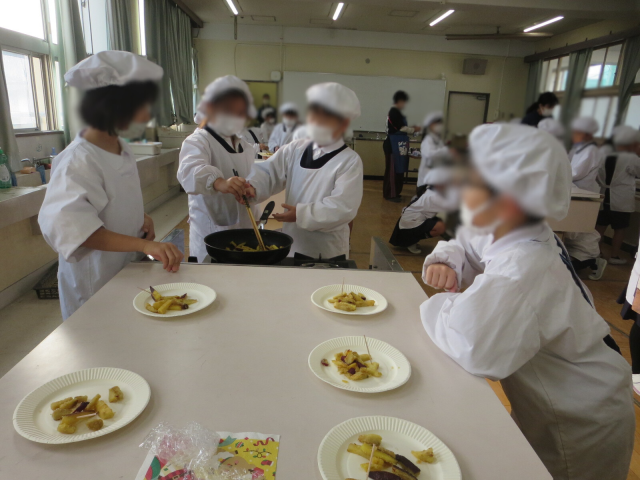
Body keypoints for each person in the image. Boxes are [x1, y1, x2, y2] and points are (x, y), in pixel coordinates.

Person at [420, 124, 633, 480]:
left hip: (580, 416)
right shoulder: (519, 228)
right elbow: (468, 241)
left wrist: (439, 304)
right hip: (557, 392)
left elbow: (472, 344)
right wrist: (447, 260)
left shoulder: (523, 266)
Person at [38, 51, 183, 319]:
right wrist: (143, 246)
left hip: (125, 270)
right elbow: (75, 230)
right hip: (95, 282)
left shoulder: (120, 148)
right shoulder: (77, 160)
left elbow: (111, 200)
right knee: (100, 338)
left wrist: (140, 216)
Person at [246, 82, 363, 258]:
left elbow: (343, 208)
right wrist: (252, 187)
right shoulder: (295, 148)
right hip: (292, 245)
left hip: (327, 251)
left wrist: (301, 214)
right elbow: (269, 173)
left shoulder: (349, 160)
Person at [177, 75, 260, 263]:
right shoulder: (199, 140)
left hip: (244, 229)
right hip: (212, 233)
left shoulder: (244, 146)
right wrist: (218, 182)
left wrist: (252, 194)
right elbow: (189, 170)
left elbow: (251, 178)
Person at [596, 125, 640, 265]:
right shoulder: (630, 157)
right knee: (619, 229)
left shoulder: (602, 153)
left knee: (600, 227)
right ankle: (614, 256)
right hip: (620, 198)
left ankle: (597, 253)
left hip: (604, 196)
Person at [389, 167, 457, 254]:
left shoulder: (432, 189)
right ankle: (410, 241)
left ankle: (412, 239)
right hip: (410, 223)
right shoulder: (435, 196)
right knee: (441, 226)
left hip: (411, 219)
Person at [383, 90, 420, 202]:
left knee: (399, 171)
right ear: (399, 101)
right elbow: (400, 128)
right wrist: (414, 129)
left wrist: (412, 129)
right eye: (404, 102)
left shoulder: (398, 113)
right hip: (392, 146)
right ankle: (390, 194)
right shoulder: (394, 111)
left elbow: (402, 127)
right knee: (393, 171)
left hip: (399, 145)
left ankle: (396, 192)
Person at [417, 111, 450, 187]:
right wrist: (446, 149)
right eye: (437, 123)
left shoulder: (438, 140)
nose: (440, 126)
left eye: (440, 123)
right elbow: (429, 154)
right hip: (425, 182)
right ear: (430, 125)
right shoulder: (428, 139)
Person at [568, 116, 600, 193]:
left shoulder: (591, 150)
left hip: (583, 191)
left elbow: (576, 173)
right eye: (574, 132)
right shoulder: (581, 148)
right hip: (576, 189)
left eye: (578, 133)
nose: (574, 136)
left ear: (588, 135)